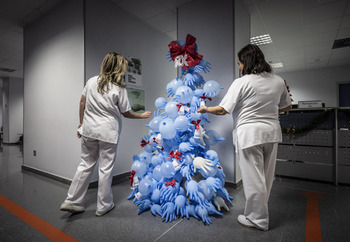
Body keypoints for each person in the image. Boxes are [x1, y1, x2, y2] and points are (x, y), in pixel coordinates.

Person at [197, 44, 292, 231]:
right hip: (271, 133)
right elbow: (287, 106)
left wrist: (205, 109)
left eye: (240, 63)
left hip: (249, 134)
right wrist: (269, 109)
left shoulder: (242, 82)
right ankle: (260, 213)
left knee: (253, 179)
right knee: (266, 178)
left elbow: (223, 109)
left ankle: (258, 220)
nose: (239, 67)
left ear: (246, 63)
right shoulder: (278, 81)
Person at [60, 52, 151, 216]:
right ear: (118, 67)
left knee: (85, 165)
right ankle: (103, 206)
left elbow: (82, 102)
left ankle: (72, 201)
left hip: (89, 130)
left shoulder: (91, 81)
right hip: (108, 132)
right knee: (105, 169)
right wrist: (142, 116)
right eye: (123, 67)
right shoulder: (119, 87)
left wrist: (81, 123)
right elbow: (126, 113)